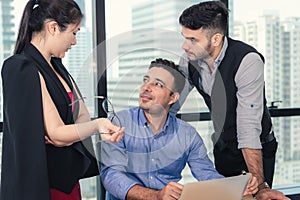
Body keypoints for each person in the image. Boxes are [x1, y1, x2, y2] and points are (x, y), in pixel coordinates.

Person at [0, 0, 123, 200]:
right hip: (43, 185)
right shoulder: (21, 68)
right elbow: (57, 134)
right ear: (53, 28)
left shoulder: (57, 67)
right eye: (74, 33)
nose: (74, 41)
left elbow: (81, 115)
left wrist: (69, 133)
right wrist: (92, 126)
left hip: (67, 180)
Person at [172, 1, 287, 199]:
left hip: (256, 148)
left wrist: (260, 184)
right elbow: (172, 102)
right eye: (184, 37)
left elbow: (248, 128)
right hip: (224, 146)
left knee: (255, 196)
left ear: (216, 39)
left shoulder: (247, 60)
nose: (185, 46)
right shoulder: (189, 59)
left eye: (192, 39)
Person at [99, 58, 258, 200]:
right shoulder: (118, 123)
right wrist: (156, 196)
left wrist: (236, 187)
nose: (146, 87)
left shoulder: (187, 135)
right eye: (145, 80)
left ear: (173, 98)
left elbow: (206, 174)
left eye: (158, 84)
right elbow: (111, 176)